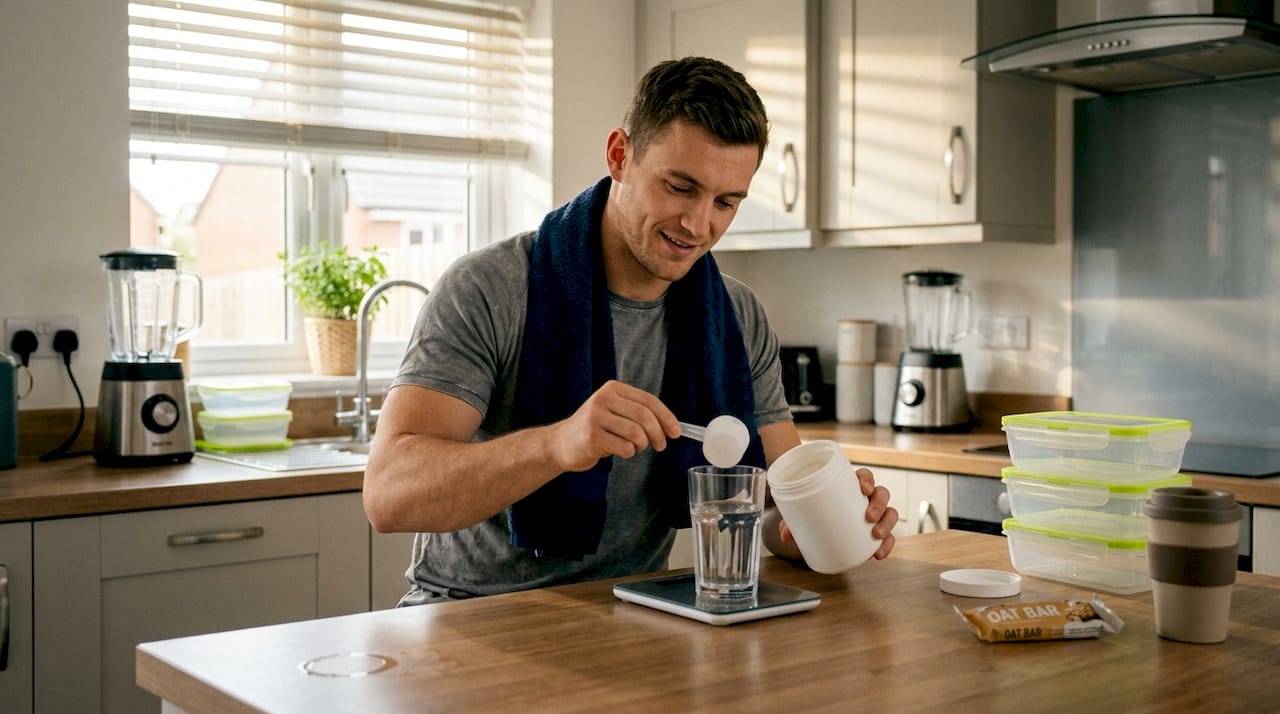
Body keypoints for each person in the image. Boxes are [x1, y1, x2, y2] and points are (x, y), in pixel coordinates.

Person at [363, 56, 899, 605]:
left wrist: (816, 523)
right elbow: (389, 496)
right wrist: (557, 444)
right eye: (680, 187)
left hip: (631, 611)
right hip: (467, 614)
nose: (699, 224)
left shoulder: (736, 315)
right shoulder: (491, 288)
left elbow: (770, 512)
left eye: (726, 202)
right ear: (620, 155)